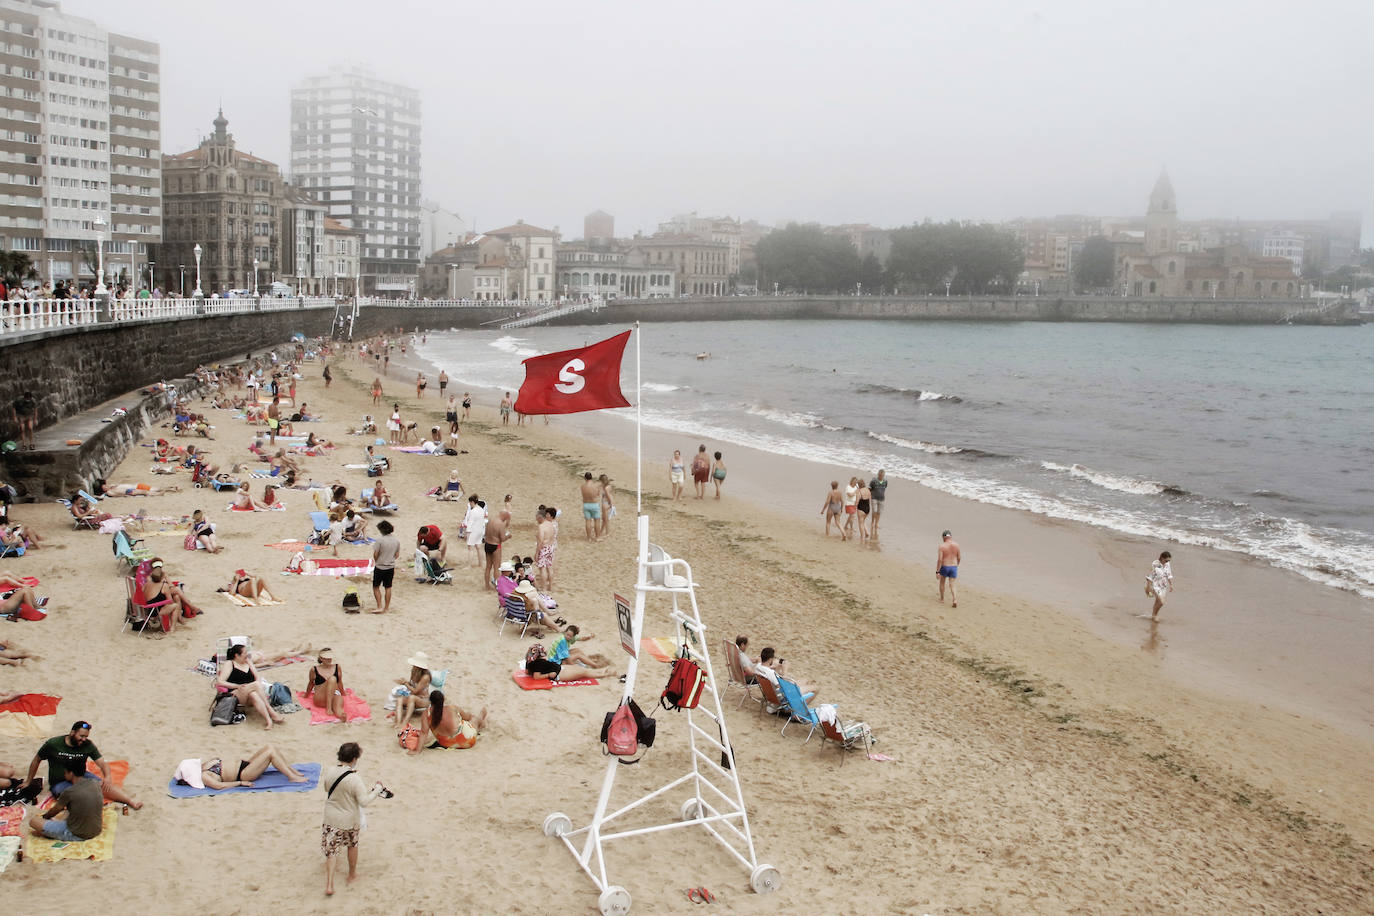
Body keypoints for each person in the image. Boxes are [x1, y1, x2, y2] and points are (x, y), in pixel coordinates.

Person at [20, 720, 142, 809]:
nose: (83, 739)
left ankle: (131, 802)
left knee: (105, 786)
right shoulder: (53, 744)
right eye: (81, 736)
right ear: (72, 732)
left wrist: (108, 777)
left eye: (86, 736)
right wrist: (28, 781)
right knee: (78, 797)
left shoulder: (87, 745)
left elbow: (102, 763)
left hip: (81, 776)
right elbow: (37, 760)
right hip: (60, 782)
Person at [320, 742, 386, 896]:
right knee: (352, 845)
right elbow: (364, 801)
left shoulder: (330, 771)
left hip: (331, 817)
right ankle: (352, 875)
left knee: (332, 851)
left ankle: (329, 884)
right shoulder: (354, 778)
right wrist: (377, 790)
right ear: (354, 758)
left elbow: (326, 788)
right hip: (349, 818)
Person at [27, 760, 104, 842]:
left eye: (65, 772)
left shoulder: (70, 792)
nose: (64, 774)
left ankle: (54, 833)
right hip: (96, 829)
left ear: (71, 773)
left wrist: (45, 817)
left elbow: (54, 811)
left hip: (77, 834)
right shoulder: (95, 783)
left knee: (34, 821)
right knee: (72, 808)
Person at [216, 644, 286, 729]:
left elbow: (257, 678)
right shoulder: (230, 663)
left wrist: (251, 665)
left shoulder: (247, 662)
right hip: (235, 694)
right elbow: (220, 681)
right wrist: (237, 686)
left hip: (249, 693)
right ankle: (271, 711)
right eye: (245, 653)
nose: (247, 655)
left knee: (254, 695)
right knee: (255, 685)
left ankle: (269, 721)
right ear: (237, 655)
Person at [183, 746, 306, 789]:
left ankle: (291, 770)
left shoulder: (204, 766)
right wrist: (241, 783)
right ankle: (292, 777)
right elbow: (219, 786)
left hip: (245, 764)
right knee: (270, 753)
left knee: (270, 747)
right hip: (244, 774)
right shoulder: (204, 776)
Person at [412, 688, 487, 754]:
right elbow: (467, 717)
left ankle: (479, 723)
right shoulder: (452, 708)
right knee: (473, 720)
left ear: (430, 701)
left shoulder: (426, 714)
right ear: (443, 700)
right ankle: (480, 718)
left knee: (471, 722)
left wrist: (417, 750)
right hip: (467, 741)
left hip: (446, 743)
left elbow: (424, 733)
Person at [547, 626, 615, 678]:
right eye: (567, 634)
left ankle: (587, 663)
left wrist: (589, 637)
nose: (568, 637)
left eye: (570, 636)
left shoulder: (570, 637)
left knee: (577, 650)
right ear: (565, 632)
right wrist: (574, 667)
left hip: (558, 657)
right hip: (556, 662)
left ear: (573, 636)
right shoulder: (562, 640)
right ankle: (595, 666)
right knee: (578, 655)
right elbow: (567, 658)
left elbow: (581, 639)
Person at [392, 653, 432, 727]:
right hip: (414, 697)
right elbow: (412, 685)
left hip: (424, 700)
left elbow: (415, 691)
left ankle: (405, 721)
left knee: (411, 697)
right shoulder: (414, 671)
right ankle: (397, 722)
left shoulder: (425, 676)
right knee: (399, 699)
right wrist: (405, 682)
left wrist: (405, 683)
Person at [306, 648, 347, 720]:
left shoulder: (337, 667)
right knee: (332, 679)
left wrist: (343, 693)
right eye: (326, 658)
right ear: (321, 658)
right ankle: (328, 708)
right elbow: (311, 683)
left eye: (330, 658)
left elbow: (340, 682)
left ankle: (341, 715)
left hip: (334, 695)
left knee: (338, 705)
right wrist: (306, 694)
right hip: (320, 697)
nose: (329, 660)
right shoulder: (314, 669)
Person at [371, 520, 399, 614]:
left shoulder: (380, 540)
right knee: (388, 587)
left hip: (380, 566)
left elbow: (375, 554)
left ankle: (379, 606)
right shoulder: (396, 541)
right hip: (390, 567)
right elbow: (397, 555)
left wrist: (378, 561)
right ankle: (386, 608)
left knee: (376, 587)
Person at [483, 509, 510, 590]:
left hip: (487, 544)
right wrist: (508, 536)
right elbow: (502, 538)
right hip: (496, 546)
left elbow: (486, 532)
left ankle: (487, 585)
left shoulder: (490, 520)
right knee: (496, 567)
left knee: (488, 567)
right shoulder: (500, 524)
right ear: (504, 516)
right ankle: (497, 587)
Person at [937, 529, 961, 607]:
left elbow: (940, 559)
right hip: (953, 566)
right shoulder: (956, 545)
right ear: (950, 537)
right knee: (952, 584)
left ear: (943, 537)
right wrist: (957, 565)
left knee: (942, 582)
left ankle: (942, 599)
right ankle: (954, 599)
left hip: (945, 566)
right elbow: (959, 557)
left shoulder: (942, 546)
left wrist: (937, 571)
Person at [1147, 550, 1174, 619]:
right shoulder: (1155, 564)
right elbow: (1150, 576)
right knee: (1161, 602)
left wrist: (1171, 584)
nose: (1168, 562)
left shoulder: (1167, 564)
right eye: (1166, 560)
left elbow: (1169, 574)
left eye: (1169, 561)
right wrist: (1148, 586)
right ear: (1162, 558)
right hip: (1155, 585)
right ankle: (1155, 615)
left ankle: (1153, 615)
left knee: (1158, 602)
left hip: (1163, 586)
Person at [462, 496, 487, 566]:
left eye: (470, 503)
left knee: (470, 549)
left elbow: (470, 523)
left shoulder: (472, 511)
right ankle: (480, 564)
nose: (470, 505)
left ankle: (469, 565)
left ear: (472, 502)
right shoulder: (481, 510)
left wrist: (466, 533)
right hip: (480, 530)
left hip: (473, 531)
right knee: (479, 548)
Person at [579, 472, 601, 541]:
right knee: (597, 521)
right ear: (591, 477)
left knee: (588, 521)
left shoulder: (582, 486)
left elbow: (583, 495)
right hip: (594, 504)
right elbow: (597, 494)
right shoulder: (595, 486)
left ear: (585, 478)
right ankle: (597, 537)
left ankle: (589, 537)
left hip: (586, 504)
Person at [868, 469, 888, 538]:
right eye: (880, 475)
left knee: (879, 512)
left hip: (882, 499)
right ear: (878, 474)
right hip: (874, 498)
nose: (881, 476)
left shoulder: (885, 481)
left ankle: (876, 524)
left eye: (882, 475)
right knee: (874, 511)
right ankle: (872, 522)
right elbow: (869, 489)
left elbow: (885, 487)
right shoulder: (873, 481)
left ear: (884, 475)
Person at [597, 475, 615, 539]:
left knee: (606, 519)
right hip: (605, 503)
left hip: (606, 503)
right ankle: (601, 531)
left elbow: (608, 496)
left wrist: (611, 505)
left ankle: (607, 533)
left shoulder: (606, 488)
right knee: (604, 519)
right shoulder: (608, 486)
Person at [856, 477, 872, 544]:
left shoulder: (859, 492)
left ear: (859, 485)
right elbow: (870, 499)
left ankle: (862, 536)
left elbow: (857, 502)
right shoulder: (868, 490)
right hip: (867, 508)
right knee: (863, 521)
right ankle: (867, 532)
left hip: (861, 509)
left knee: (860, 523)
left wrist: (855, 507)